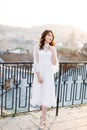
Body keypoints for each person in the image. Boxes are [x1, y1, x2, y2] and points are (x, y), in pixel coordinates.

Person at [31, 30, 59, 129]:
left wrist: (53, 52)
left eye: (52, 36)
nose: (50, 37)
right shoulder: (37, 48)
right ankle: (42, 117)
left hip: (48, 75)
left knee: (46, 96)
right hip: (40, 74)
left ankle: (43, 119)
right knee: (40, 94)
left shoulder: (53, 48)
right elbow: (35, 62)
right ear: (44, 36)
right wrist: (38, 75)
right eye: (48, 35)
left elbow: (55, 64)